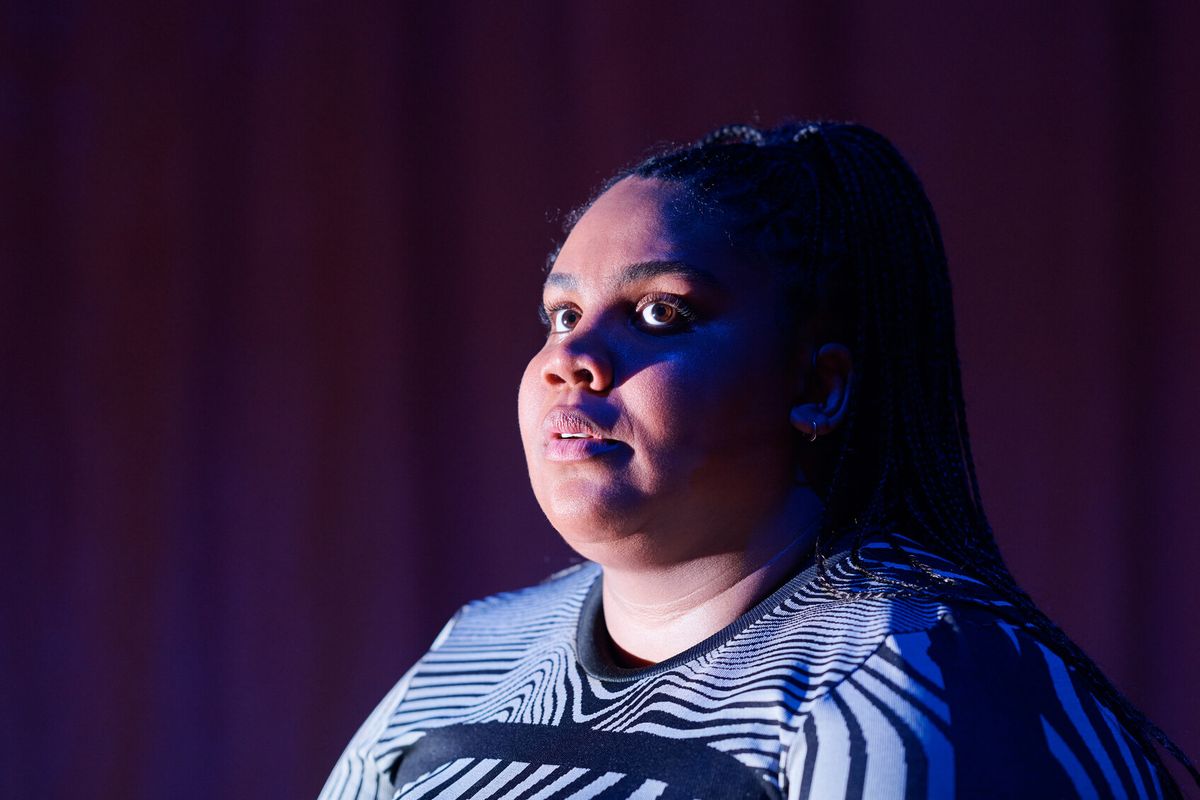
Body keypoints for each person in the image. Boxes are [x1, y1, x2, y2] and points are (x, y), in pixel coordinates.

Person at [318, 122, 1196, 799]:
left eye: (660, 313)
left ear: (817, 387)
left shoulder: (922, 684)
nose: (570, 358)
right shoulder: (475, 651)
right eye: (562, 315)